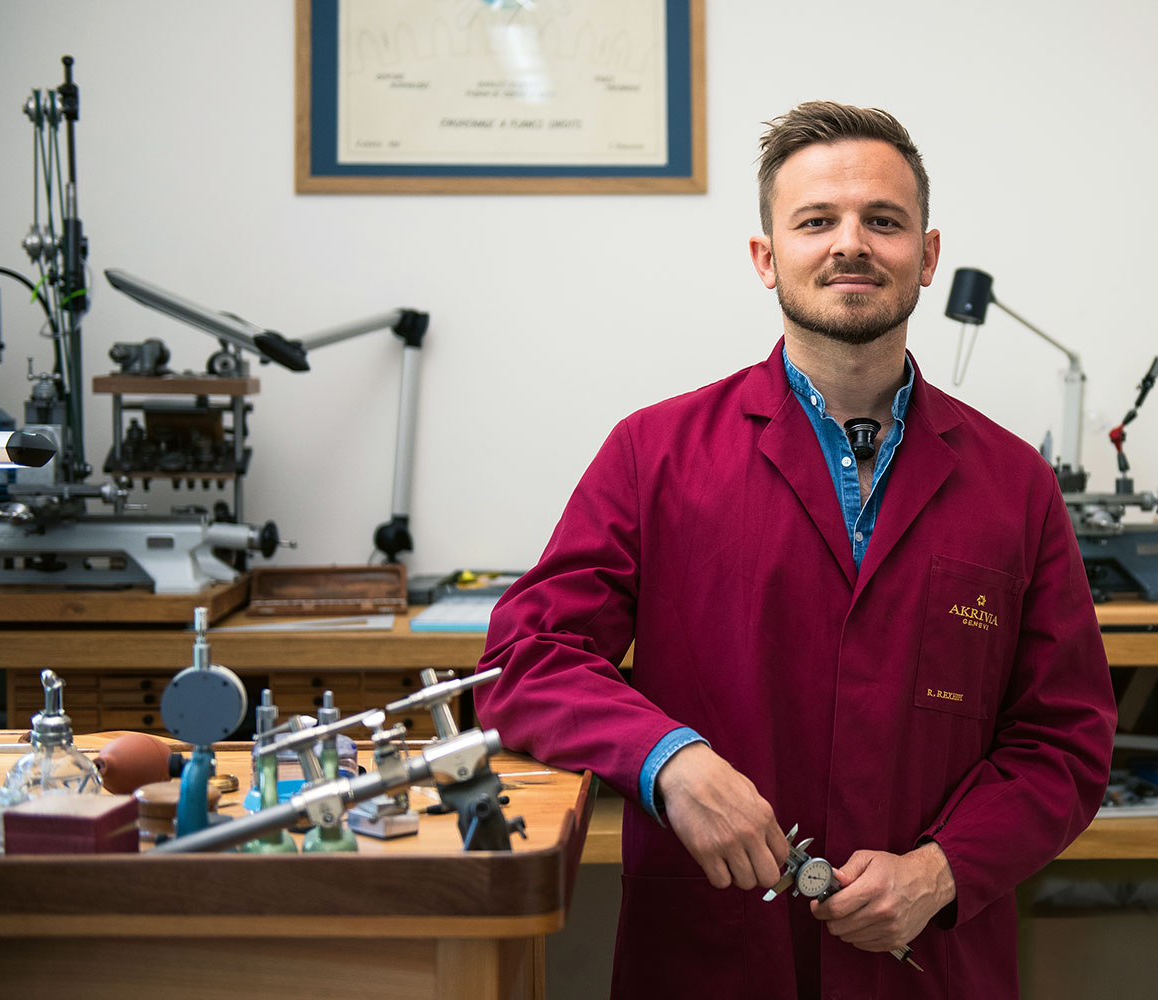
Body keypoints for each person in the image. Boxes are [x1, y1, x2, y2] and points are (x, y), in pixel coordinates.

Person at [475, 100, 1116, 1000]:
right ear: (766, 257)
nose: (850, 243)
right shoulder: (652, 454)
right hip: (714, 951)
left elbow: (1066, 737)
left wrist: (943, 868)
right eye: (817, 221)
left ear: (926, 257)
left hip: (924, 962)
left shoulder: (1015, 485)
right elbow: (525, 658)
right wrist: (670, 762)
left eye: (883, 221)